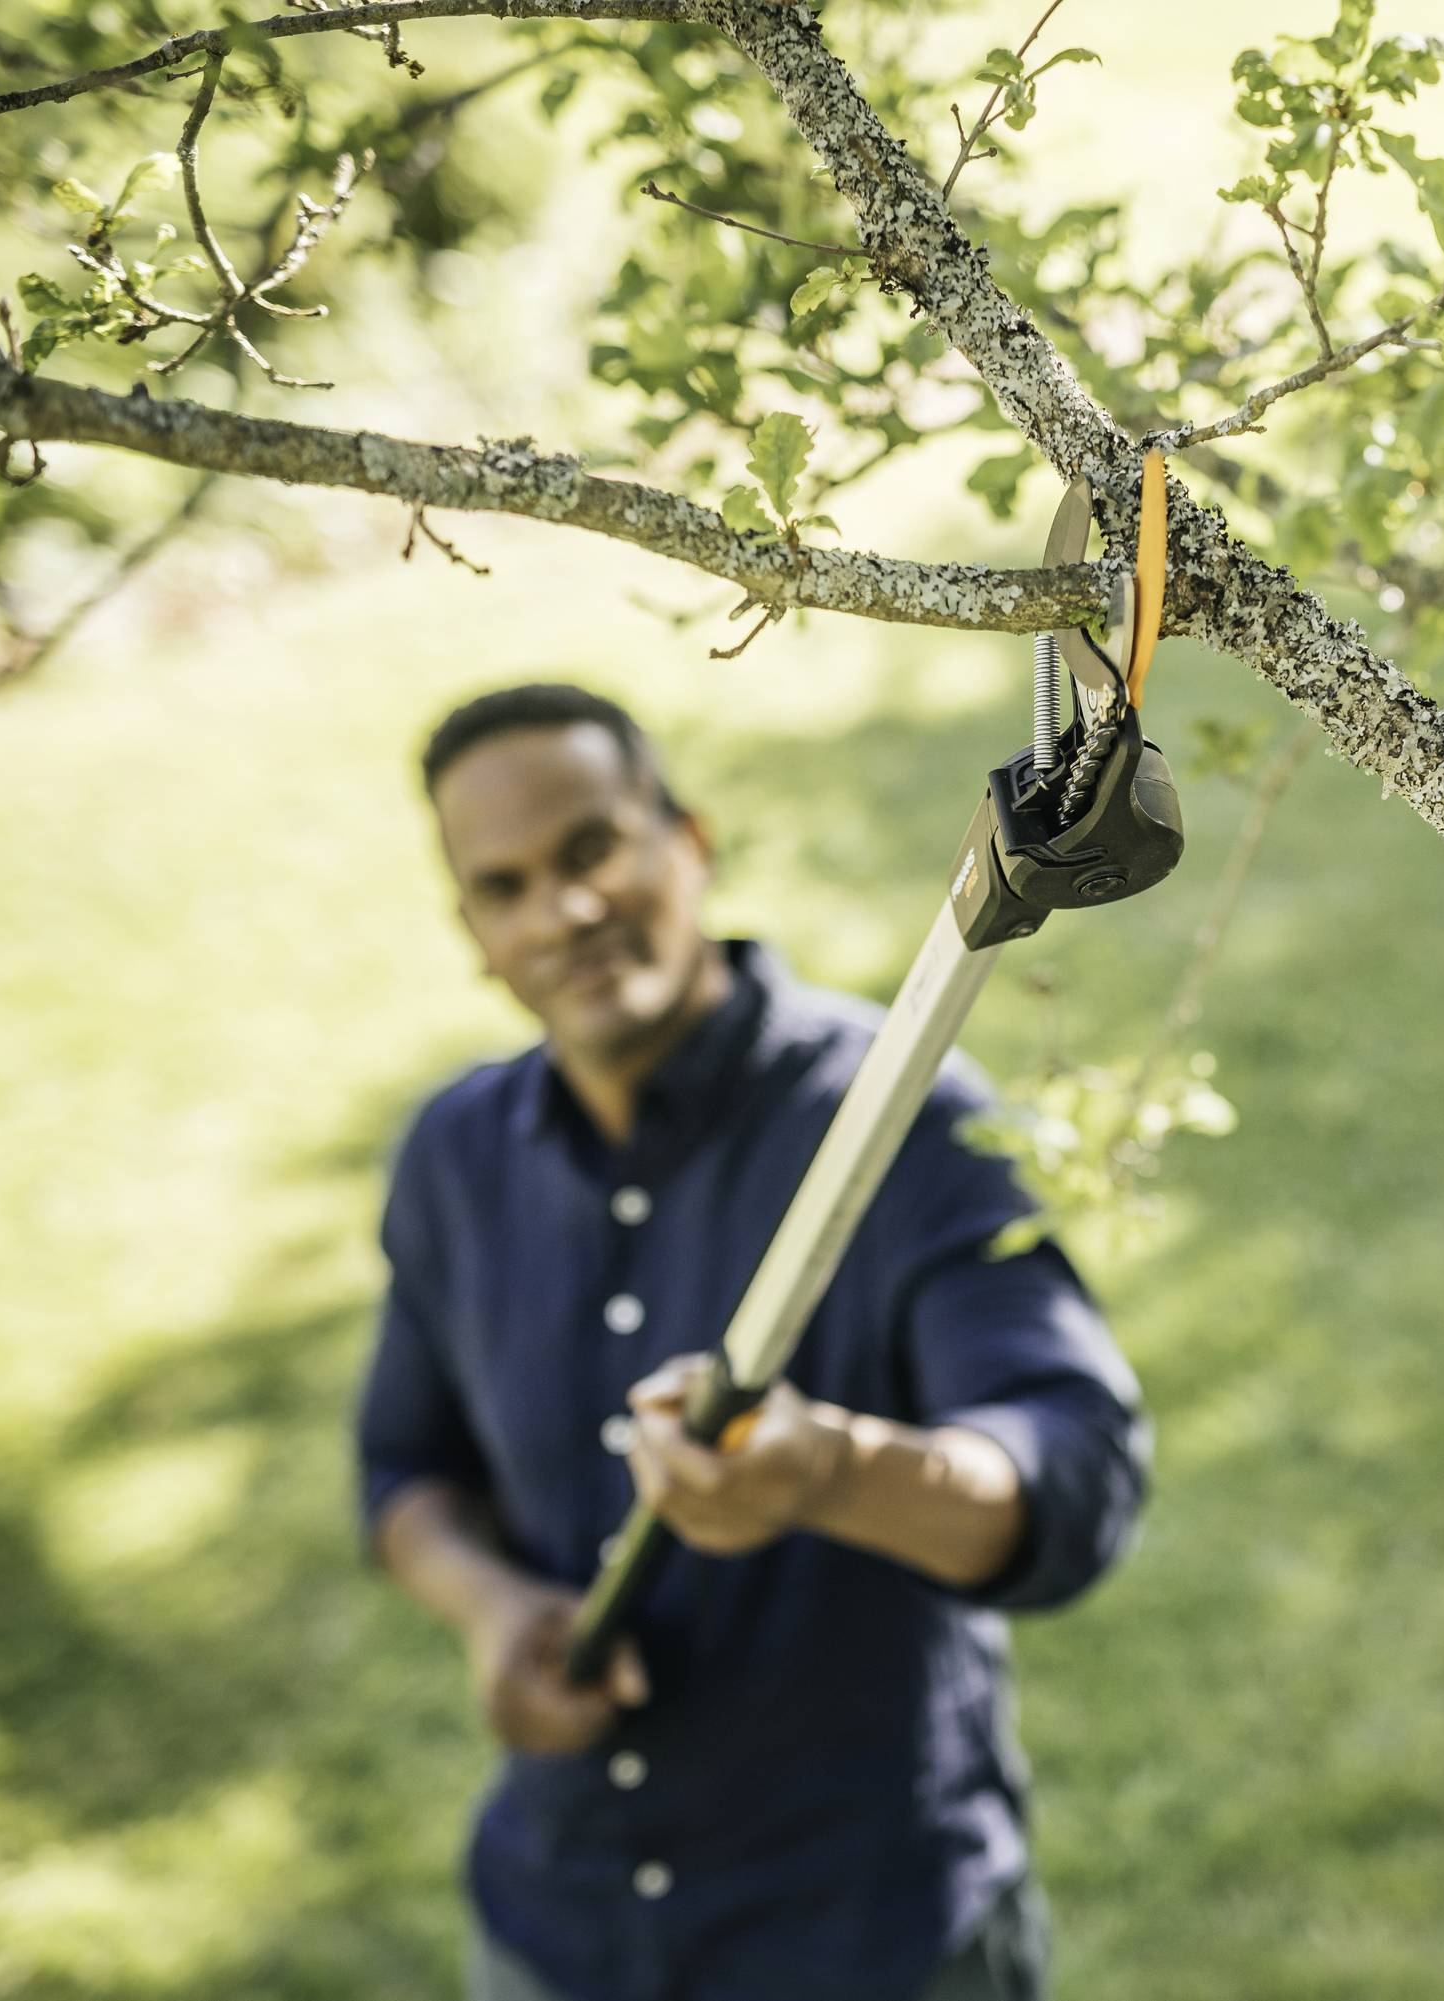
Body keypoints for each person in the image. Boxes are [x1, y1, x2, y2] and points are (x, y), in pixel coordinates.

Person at [355, 682, 1147, 2001]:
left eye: (592, 848)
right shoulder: (454, 1157)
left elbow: (1075, 1476)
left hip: (868, 1941)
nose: (563, 912)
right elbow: (400, 1475)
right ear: (473, 933)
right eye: (506, 888)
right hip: (559, 1937)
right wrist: (492, 1613)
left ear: (691, 840)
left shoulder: (896, 1113)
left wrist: (830, 1472)